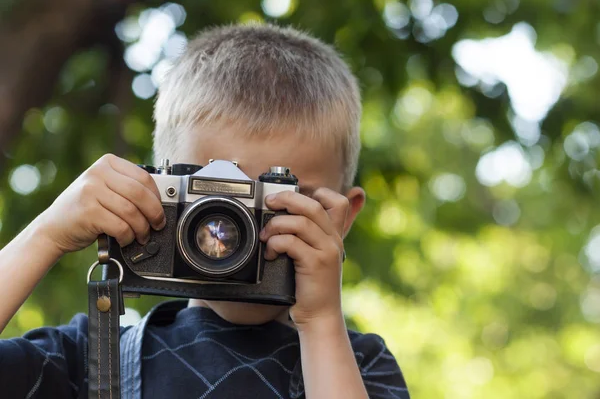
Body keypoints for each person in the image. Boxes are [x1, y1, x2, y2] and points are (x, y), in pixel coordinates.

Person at [0, 23, 410, 398]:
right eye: (217, 199)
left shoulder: (359, 365)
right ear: (161, 192)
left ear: (343, 217)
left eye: (284, 200)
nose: (235, 230)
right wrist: (47, 235)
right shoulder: (91, 358)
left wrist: (321, 322)